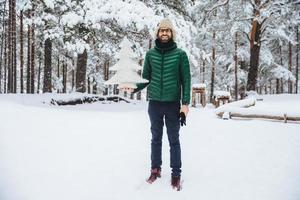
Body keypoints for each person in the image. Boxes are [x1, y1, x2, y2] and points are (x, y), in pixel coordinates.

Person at [121, 18, 191, 191]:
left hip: (173, 104)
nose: (164, 33)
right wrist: (133, 87)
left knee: (174, 140)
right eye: (162, 30)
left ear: (172, 33)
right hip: (154, 104)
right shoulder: (150, 55)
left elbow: (186, 80)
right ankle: (155, 169)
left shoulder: (180, 54)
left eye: (168, 30)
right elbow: (145, 79)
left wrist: (185, 105)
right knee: (155, 139)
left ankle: (176, 174)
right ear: (158, 33)